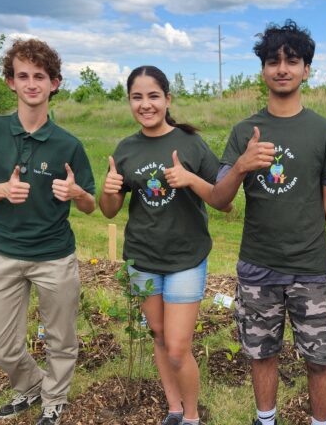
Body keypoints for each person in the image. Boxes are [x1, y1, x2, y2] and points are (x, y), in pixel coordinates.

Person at [208, 20, 326, 425]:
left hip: (311, 269)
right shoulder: (244, 132)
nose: (282, 68)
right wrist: (240, 165)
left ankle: (321, 422)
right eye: (273, 61)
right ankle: (266, 418)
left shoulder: (324, 132)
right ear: (262, 70)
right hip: (257, 268)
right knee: (262, 354)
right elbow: (220, 200)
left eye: (292, 61)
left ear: (306, 69)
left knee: (320, 359)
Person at [0, 38, 96, 425]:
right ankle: (33, 384)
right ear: (10, 82)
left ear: (55, 83)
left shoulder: (68, 144)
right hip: (2, 253)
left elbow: (89, 205)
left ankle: (54, 400)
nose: (31, 83)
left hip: (54, 256)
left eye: (40, 76)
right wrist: (3, 189)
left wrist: (75, 193)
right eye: (23, 76)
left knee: (61, 338)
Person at [100, 65, 229, 425]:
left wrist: (189, 179)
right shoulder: (126, 148)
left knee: (177, 347)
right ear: (129, 102)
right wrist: (108, 189)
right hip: (141, 258)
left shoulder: (190, 144)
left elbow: (224, 200)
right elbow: (110, 211)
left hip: (185, 259)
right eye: (137, 97)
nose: (145, 104)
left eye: (153, 96)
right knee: (157, 335)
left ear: (167, 99)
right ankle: (173, 408)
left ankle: (191, 416)